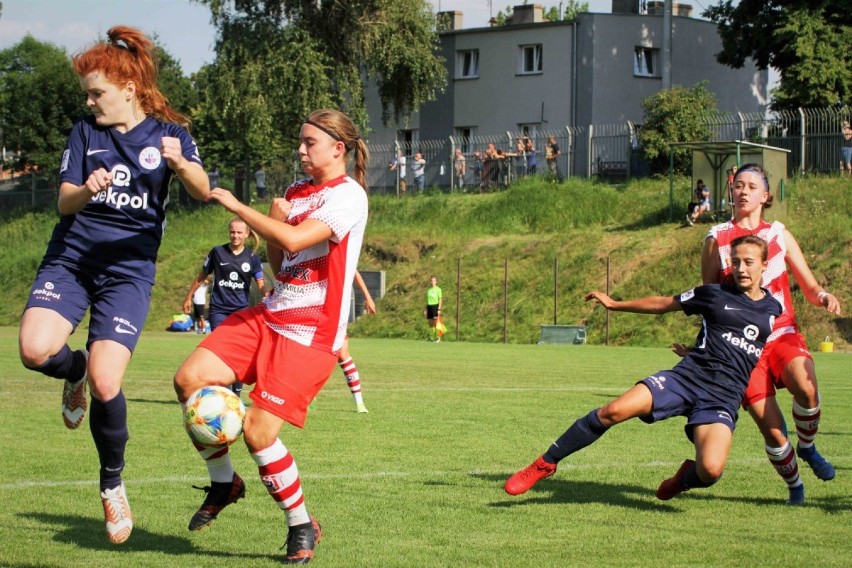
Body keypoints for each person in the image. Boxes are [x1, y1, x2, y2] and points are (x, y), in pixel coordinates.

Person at [17, 25, 210, 545]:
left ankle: (111, 485)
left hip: (128, 270)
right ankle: (71, 366)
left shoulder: (170, 134)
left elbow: (203, 189)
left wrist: (181, 164)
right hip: (73, 259)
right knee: (34, 350)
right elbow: (62, 202)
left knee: (108, 384)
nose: (89, 100)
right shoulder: (86, 132)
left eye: (96, 91)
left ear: (128, 88)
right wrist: (86, 188)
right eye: (87, 92)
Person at [173, 108, 369, 564]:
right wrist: (276, 221)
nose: (300, 150)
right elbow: (283, 266)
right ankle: (225, 483)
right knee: (189, 379)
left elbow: (300, 241)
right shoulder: (296, 193)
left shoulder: (349, 196)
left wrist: (244, 209)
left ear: (337, 149)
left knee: (258, 434)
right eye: (299, 142)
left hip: (309, 334)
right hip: (269, 316)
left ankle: (301, 523)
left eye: (309, 143)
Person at [505, 236, 782, 501]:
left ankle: (682, 480)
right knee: (612, 411)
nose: (740, 268)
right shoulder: (713, 294)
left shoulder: (774, 309)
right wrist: (615, 304)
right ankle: (545, 463)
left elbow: (748, 349)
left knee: (710, 470)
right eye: (735, 262)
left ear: (764, 265)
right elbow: (664, 303)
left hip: (723, 396)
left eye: (748, 262)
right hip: (687, 378)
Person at [699, 163, 841, 504]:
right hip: (742, 349)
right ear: (731, 192)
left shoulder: (778, 233)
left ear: (765, 196)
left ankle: (807, 447)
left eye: (751, 186)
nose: (743, 191)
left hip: (781, 335)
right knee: (773, 428)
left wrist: (822, 296)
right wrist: (702, 346)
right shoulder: (716, 238)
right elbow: (708, 300)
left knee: (806, 388)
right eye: (738, 185)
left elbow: (808, 286)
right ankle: (795, 488)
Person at [182, 217, 265, 397]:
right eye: (232, 232)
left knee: (238, 352)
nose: (235, 236)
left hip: (241, 312)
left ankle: (236, 392)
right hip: (218, 309)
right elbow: (201, 276)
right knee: (221, 352)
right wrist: (189, 297)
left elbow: (260, 282)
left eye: (239, 232)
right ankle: (226, 393)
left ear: (247, 234)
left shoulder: (252, 257)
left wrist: (267, 294)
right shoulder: (217, 252)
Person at [336, 271, 377, 413]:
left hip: (336, 308)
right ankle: (307, 398)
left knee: (343, 354)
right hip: (316, 306)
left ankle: (359, 403)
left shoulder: (342, 252)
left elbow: (354, 272)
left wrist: (368, 297)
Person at [424, 275, 443, 342]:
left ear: (436, 282)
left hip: (435, 306)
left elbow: (440, 299)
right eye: (431, 281)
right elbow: (427, 300)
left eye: (434, 281)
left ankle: (438, 337)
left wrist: (439, 309)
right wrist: (426, 309)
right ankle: (431, 337)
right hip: (429, 306)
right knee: (430, 323)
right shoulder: (429, 290)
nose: (432, 282)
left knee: (435, 323)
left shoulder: (438, 289)